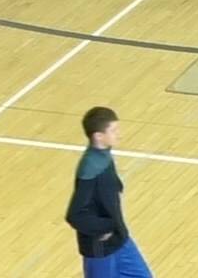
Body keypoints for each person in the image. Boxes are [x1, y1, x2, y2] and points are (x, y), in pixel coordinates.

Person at [65, 107, 155, 278]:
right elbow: (75, 215)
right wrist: (104, 228)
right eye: (113, 130)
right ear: (99, 136)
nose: (119, 134)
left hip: (120, 237)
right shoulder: (89, 168)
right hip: (100, 247)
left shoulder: (103, 155)